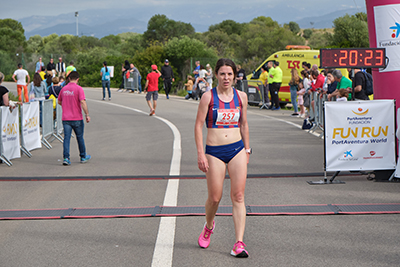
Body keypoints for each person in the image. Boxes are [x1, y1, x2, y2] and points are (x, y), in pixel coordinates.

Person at [195, 58, 250, 258]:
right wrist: (201, 153)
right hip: (214, 152)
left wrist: (247, 149)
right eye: (222, 74)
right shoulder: (208, 97)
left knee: (238, 196)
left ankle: (239, 243)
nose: (226, 78)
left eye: (229, 74)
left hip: (236, 149)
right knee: (215, 197)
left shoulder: (241, 97)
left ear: (235, 76)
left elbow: (244, 124)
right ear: (216, 75)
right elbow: (198, 125)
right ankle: (209, 225)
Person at [58, 71, 91, 166]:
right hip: (77, 117)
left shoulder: (64, 89)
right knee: (80, 137)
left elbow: (59, 101)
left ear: (68, 79)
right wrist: (87, 114)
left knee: (67, 138)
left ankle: (66, 158)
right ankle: (83, 156)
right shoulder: (79, 89)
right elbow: (83, 102)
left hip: (66, 118)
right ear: (78, 79)